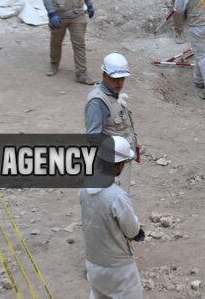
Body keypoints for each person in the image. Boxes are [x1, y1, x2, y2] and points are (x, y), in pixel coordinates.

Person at [79, 136, 145, 299]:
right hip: (118, 267)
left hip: (93, 262)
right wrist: (138, 233)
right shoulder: (116, 196)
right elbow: (131, 229)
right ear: (118, 165)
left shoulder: (85, 188)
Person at [85, 53, 139, 189]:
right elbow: (93, 138)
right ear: (104, 75)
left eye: (122, 78)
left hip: (120, 160)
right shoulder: (98, 103)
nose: (119, 83)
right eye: (115, 79)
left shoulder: (112, 94)